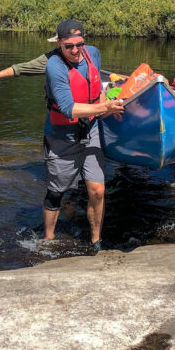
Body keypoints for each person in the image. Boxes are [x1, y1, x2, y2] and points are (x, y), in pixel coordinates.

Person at [41, 19, 123, 253]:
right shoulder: (55, 66)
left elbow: (96, 89)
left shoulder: (92, 54)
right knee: (57, 190)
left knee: (97, 189)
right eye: (69, 46)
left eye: (79, 44)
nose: (75, 51)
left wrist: (105, 105)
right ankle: (47, 240)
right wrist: (106, 108)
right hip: (62, 135)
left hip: (91, 131)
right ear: (59, 44)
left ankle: (96, 241)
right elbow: (69, 108)